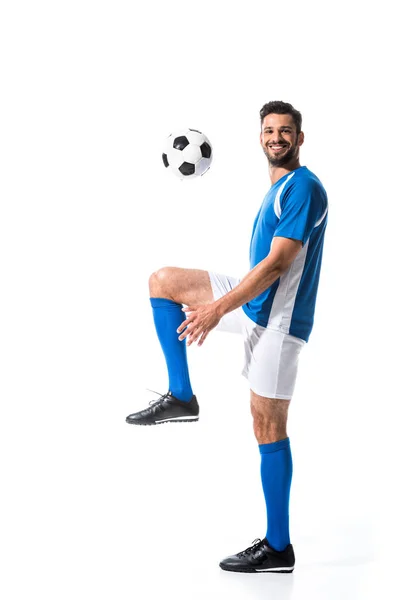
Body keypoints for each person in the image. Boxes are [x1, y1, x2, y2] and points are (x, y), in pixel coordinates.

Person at [126, 101, 328, 573]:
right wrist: (226, 305)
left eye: (285, 131)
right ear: (260, 137)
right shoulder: (278, 186)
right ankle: (181, 396)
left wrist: (218, 308)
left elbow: (278, 263)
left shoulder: (305, 188)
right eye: (269, 131)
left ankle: (278, 548)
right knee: (163, 281)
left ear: (300, 138)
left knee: (267, 427)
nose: (276, 138)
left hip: (280, 325)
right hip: (254, 306)